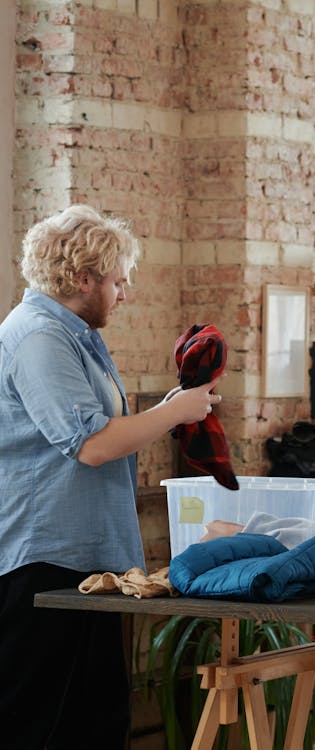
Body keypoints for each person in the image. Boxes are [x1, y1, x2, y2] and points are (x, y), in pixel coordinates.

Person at [0, 205, 222, 748]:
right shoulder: (37, 337)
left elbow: (105, 427)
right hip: (44, 561)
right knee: (35, 724)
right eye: (118, 282)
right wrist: (173, 413)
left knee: (97, 722)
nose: (124, 294)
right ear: (83, 278)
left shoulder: (73, 335)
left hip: (89, 560)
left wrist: (171, 405)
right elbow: (93, 446)